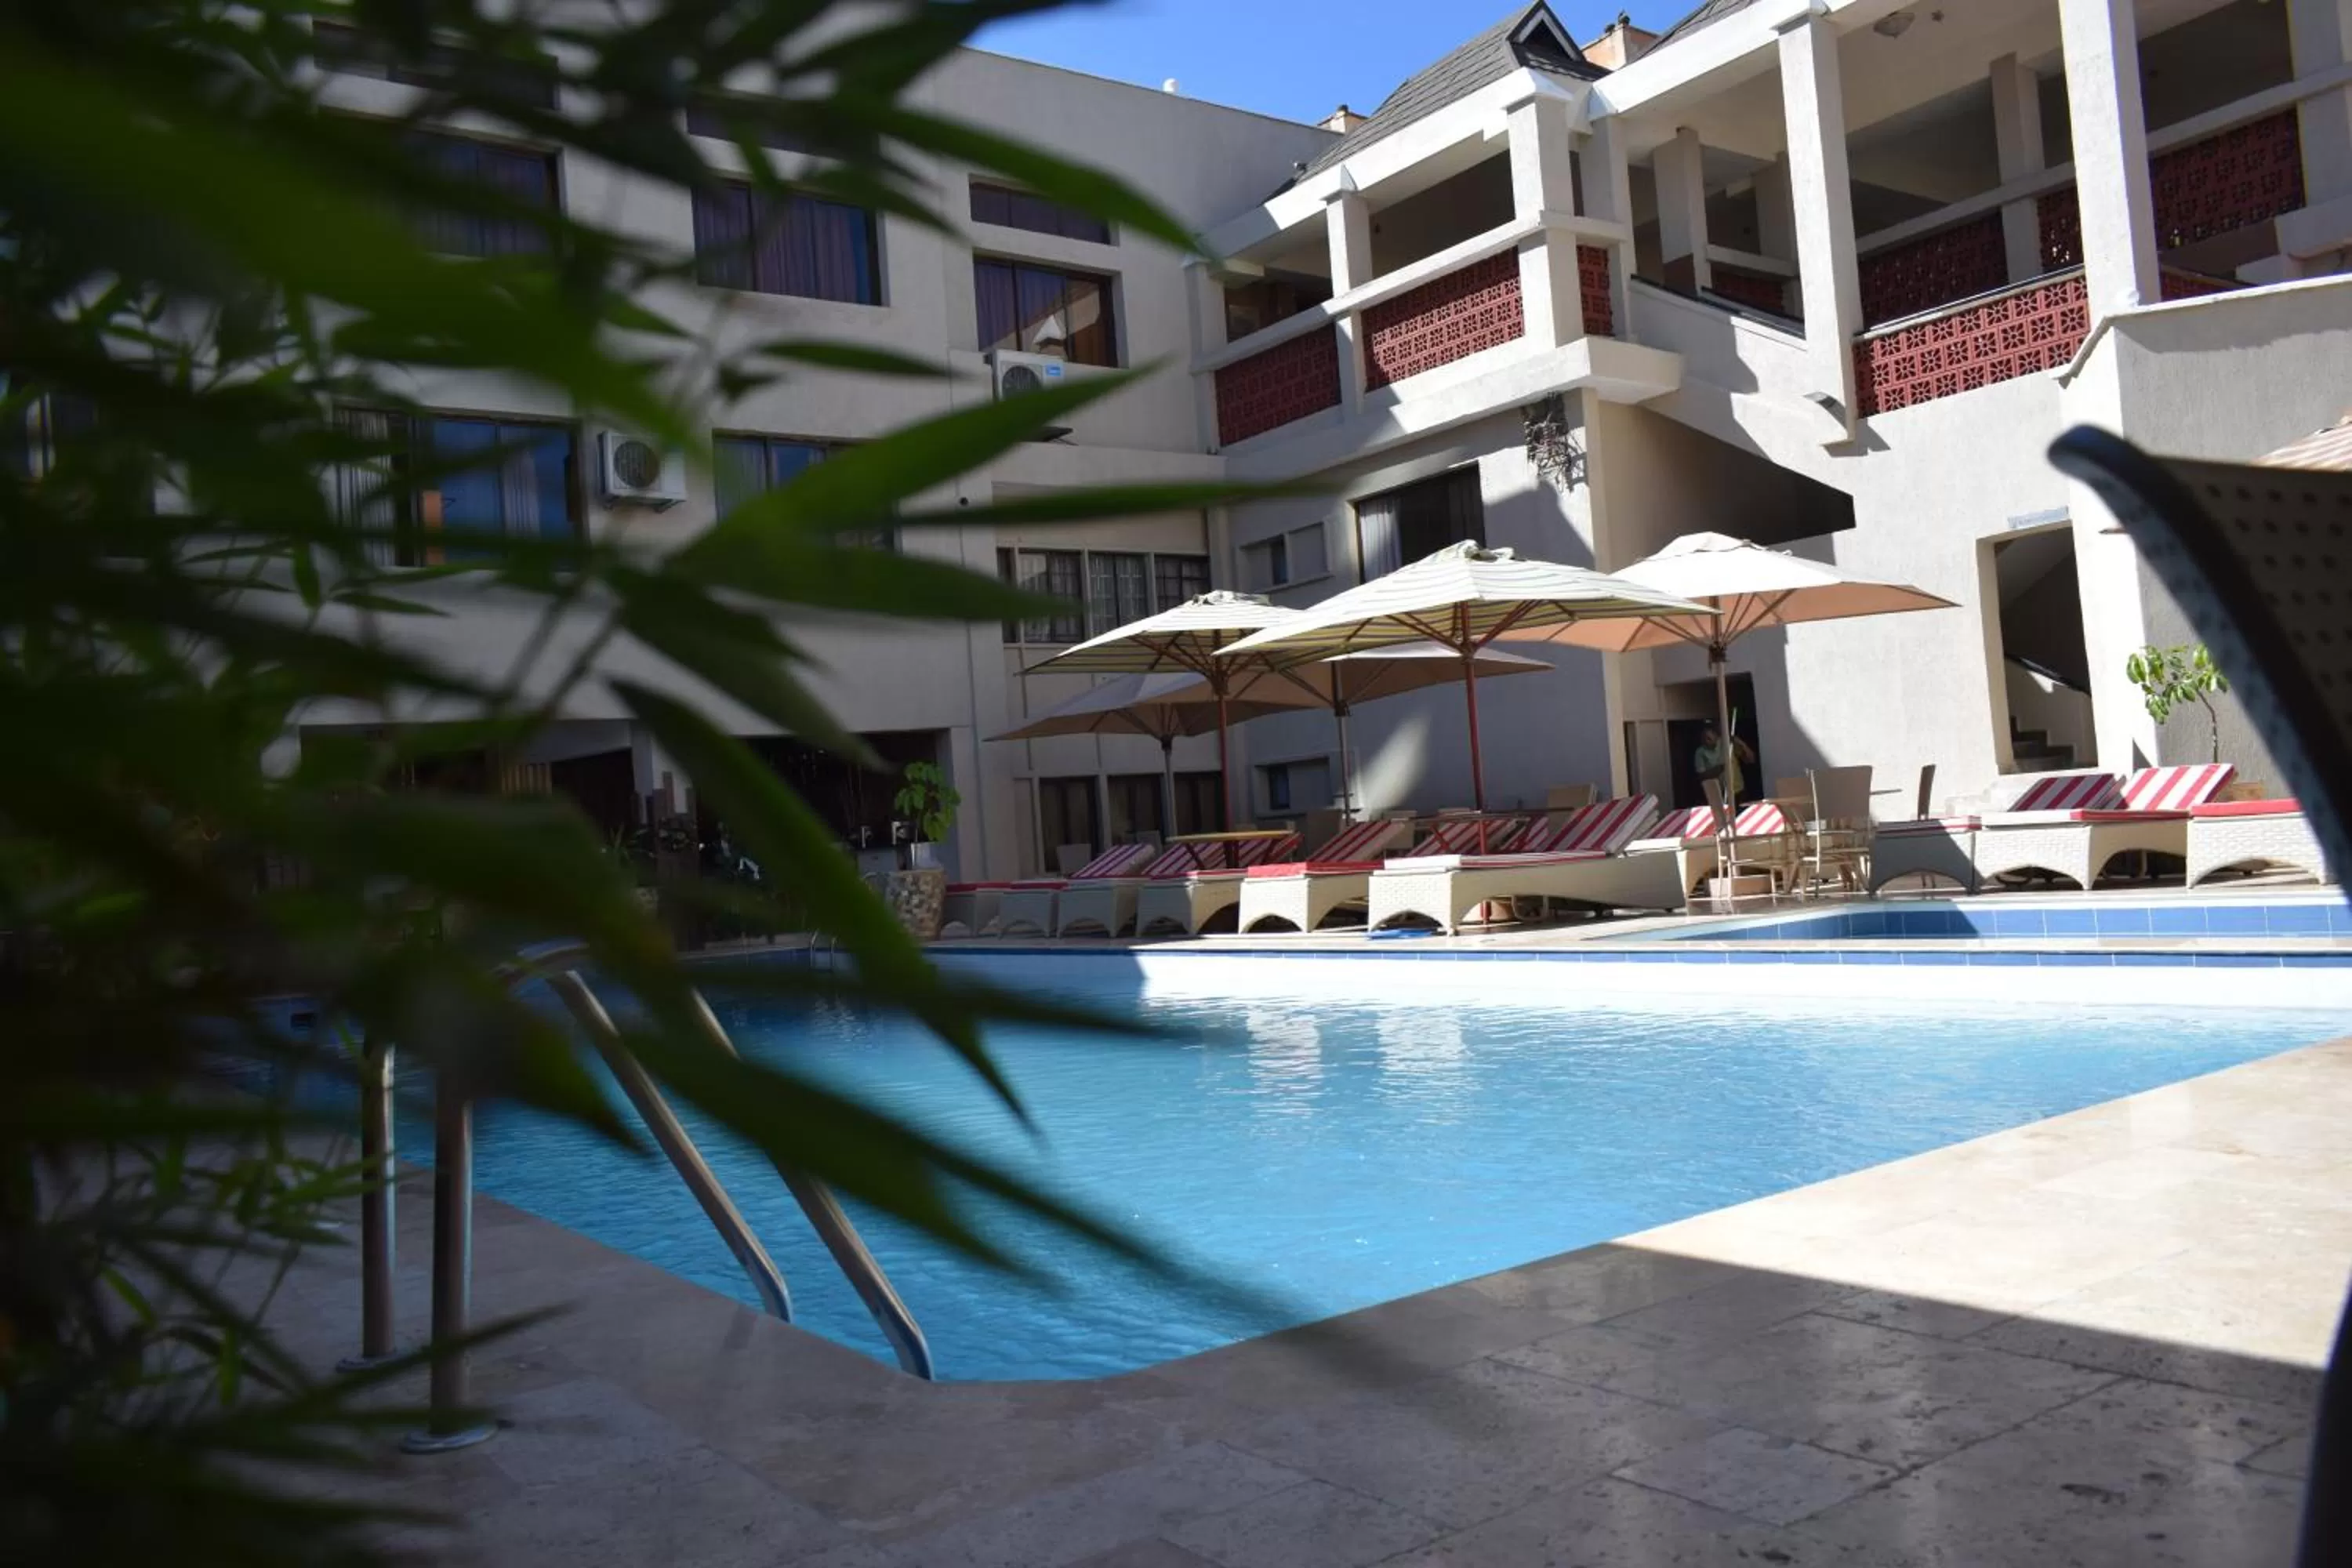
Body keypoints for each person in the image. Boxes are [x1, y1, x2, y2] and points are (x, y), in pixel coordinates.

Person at [1693, 723, 1755, 802]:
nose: (1706, 741)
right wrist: (1720, 768)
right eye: (1704, 738)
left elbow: (1750, 760)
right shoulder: (1700, 752)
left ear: (1716, 735)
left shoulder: (1728, 743)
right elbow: (1702, 776)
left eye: (1709, 738)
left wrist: (1742, 744)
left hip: (1738, 790)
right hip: (1719, 793)